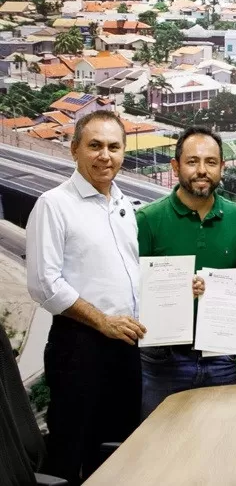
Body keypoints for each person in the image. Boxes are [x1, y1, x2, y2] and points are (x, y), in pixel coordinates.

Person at [26, 111, 145, 484]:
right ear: (74, 149)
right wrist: (102, 321)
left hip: (124, 346)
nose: (104, 155)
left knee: (117, 451)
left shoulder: (124, 206)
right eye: (94, 145)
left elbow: (130, 274)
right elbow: (44, 283)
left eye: (114, 147)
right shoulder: (54, 204)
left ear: (124, 152)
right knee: (70, 452)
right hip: (79, 347)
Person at [136, 127, 236, 419]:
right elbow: (130, 291)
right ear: (175, 166)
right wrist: (173, 290)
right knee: (158, 447)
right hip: (162, 361)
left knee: (218, 444)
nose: (202, 170)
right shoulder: (148, 219)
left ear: (222, 167)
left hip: (220, 355)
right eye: (192, 161)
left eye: (210, 162)